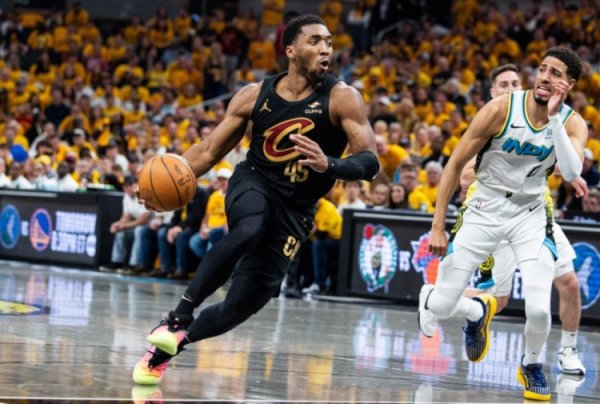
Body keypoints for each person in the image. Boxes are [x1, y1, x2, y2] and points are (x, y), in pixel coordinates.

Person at [133, 14, 379, 386]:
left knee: (239, 306)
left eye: (329, 42)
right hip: (254, 180)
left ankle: (168, 347)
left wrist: (329, 163)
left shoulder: (343, 97)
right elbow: (209, 150)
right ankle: (177, 317)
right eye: (315, 41)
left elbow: (370, 161)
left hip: (296, 209)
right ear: (291, 50)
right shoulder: (254, 94)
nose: (326, 49)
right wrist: (158, 186)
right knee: (250, 227)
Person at [418, 48, 587, 401]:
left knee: (538, 306)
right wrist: (437, 225)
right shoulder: (500, 109)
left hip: (530, 213)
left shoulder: (573, 123)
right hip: (485, 208)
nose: (545, 77)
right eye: (542, 69)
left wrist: (554, 118)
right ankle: (474, 309)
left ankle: (531, 364)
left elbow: (572, 171)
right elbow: (454, 164)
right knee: (442, 306)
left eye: (555, 73)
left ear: (569, 85)